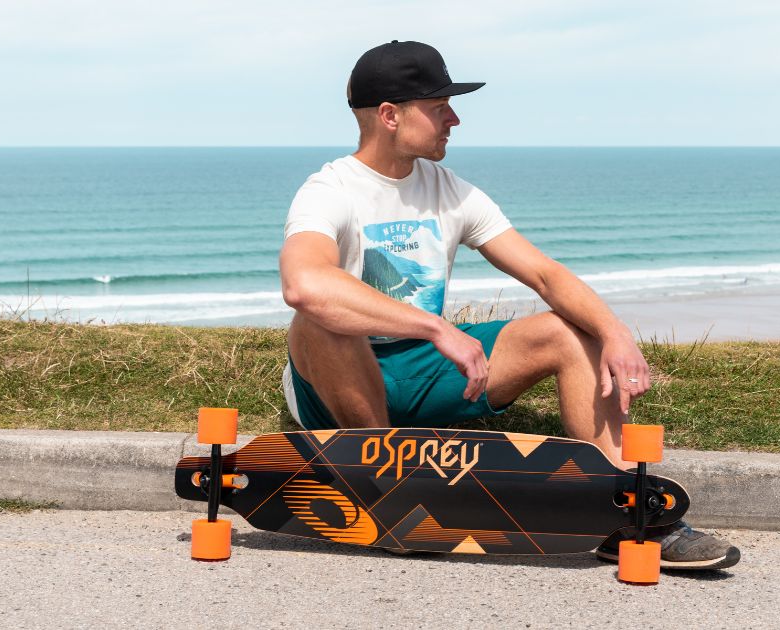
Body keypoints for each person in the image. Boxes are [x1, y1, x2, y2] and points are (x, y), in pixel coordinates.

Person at [279, 40, 739, 570]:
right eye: (439, 107)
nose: (454, 119)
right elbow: (304, 284)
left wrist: (614, 332)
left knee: (567, 331)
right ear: (389, 115)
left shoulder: (449, 191)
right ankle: (386, 489)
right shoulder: (330, 189)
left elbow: (544, 273)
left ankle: (625, 510)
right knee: (318, 321)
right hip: (341, 387)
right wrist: (437, 328)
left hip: (424, 375)